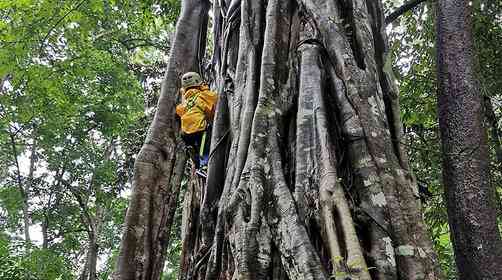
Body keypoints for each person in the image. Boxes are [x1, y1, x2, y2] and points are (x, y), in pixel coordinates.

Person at [176, 72, 217, 172]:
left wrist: (183, 95)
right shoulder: (202, 95)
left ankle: (195, 157)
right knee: (205, 144)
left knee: (196, 146)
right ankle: (204, 166)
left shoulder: (187, 102)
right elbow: (214, 99)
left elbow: (179, 110)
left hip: (185, 133)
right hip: (199, 129)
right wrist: (205, 88)